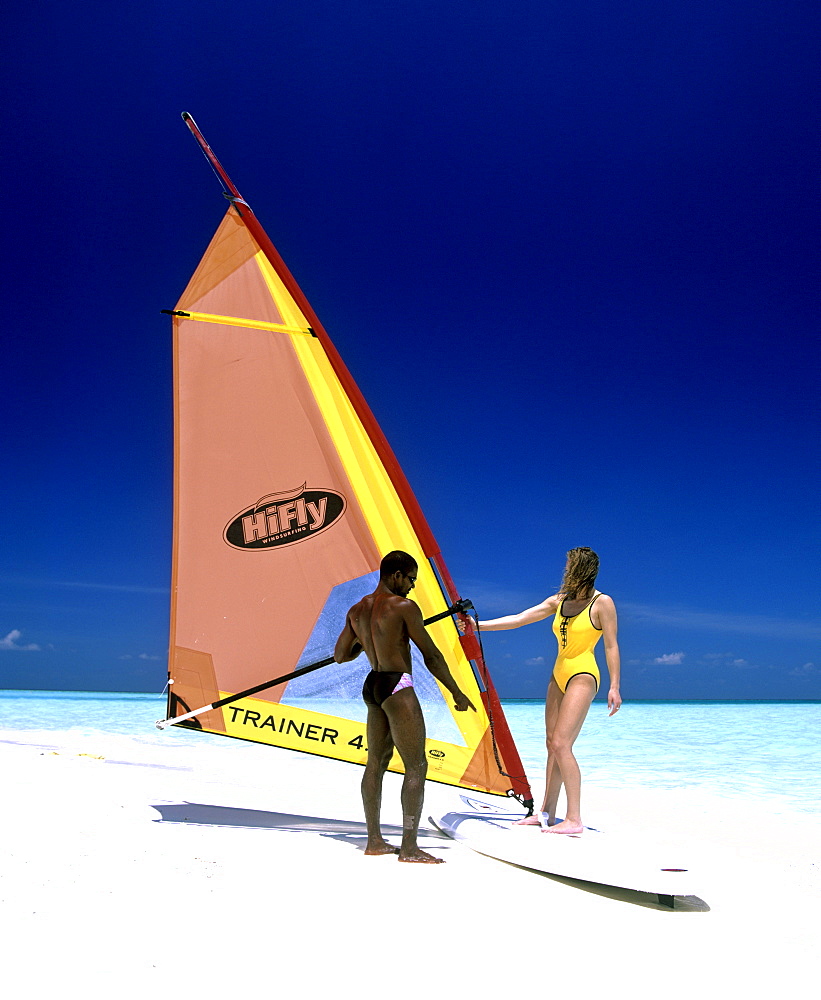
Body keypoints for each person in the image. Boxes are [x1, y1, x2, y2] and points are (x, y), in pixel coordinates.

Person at [334, 550, 476, 863]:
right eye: (411, 578)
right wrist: (456, 691)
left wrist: (364, 640)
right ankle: (409, 848)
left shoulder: (357, 610)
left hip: (373, 686)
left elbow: (340, 655)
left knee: (376, 763)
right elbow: (432, 656)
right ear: (396, 575)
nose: (412, 585)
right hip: (397, 686)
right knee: (416, 765)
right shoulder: (404, 606)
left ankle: (374, 841)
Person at [469, 546, 621, 835]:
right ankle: (546, 813)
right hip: (558, 673)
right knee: (551, 744)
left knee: (563, 744)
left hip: (583, 673)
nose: (565, 571)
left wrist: (615, 686)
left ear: (581, 569)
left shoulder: (603, 603)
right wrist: (478, 626)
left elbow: (611, 645)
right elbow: (519, 618)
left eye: (569, 566)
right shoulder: (558, 601)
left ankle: (574, 818)